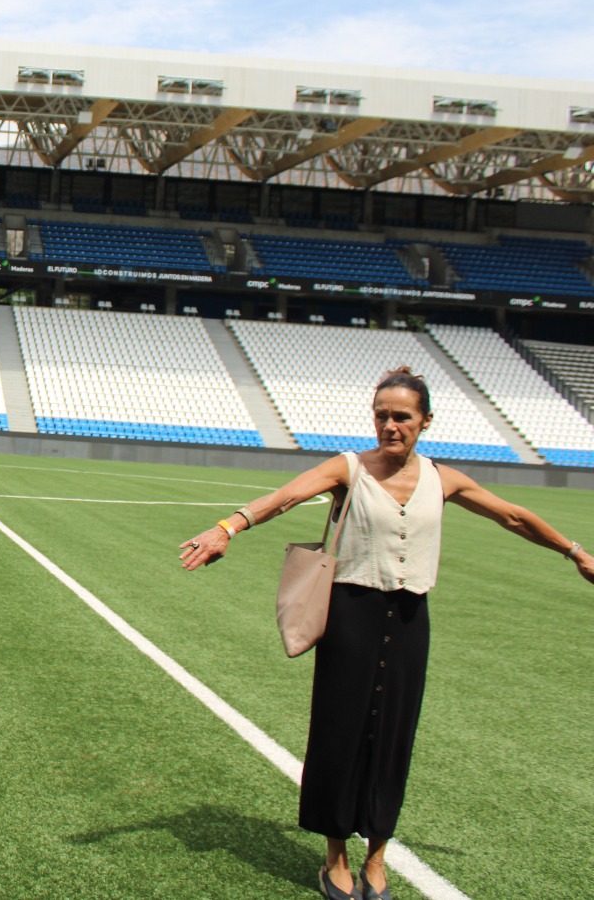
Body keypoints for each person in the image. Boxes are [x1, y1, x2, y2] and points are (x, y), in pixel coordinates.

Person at [176, 367, 594, 900]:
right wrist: (227, 528)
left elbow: (512, 516)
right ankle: (335, 857)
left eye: (402, 416)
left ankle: (377, 856)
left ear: (425, 421)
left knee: (393, 736)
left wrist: (575, 552)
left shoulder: (443, 479)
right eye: (382, 416)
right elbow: (283, 498)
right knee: (338, 732)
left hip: (411, 620)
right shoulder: (348, 468)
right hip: (350, 616)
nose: (390, 426)